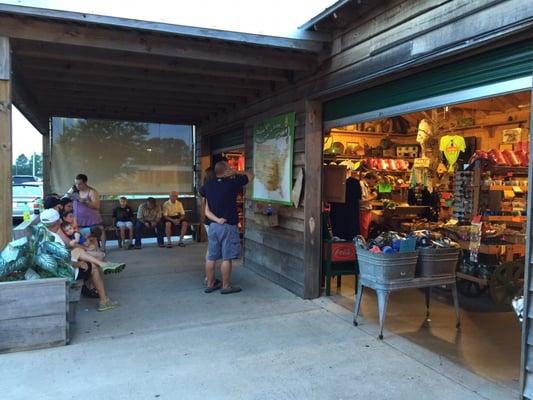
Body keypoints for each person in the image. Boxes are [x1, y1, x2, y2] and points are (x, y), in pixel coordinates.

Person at [40, 208, 120, 312]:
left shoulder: (43, 233)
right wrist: (78, 264)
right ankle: (104, 301)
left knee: (78, 250)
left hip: (55, 266)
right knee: (93, 267)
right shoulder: (53, 238)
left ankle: (102, 264)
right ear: (57, 222)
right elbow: (60, 262)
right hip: (62, 271)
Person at [200, 161, 253, 294]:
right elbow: (250, 175)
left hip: (213, 225)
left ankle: (210, 283)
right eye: (229, 168)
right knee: (226, 258)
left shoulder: (207, 186)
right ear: (226, 171)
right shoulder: (232, 184)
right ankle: (225, 286)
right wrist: (236, 172)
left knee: (211, 257)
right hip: (227, 225)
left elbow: (203, 197)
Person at [67, 174, 106, 251]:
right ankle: (88, 248)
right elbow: (66, 196)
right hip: (79, 218)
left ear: (85, 183)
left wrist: (85, 201)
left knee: (99, 230)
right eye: (76, 183)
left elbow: (97, 206)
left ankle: (103, 248)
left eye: (80, 184)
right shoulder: (74, 189)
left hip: (92, 218)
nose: (77, 185)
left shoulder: (92, 191)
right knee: (81, 233)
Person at [329, 169, 362, 241]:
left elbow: (329, 199)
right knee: (352, 231)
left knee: (339, 232)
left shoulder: (334, 182)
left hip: (337, 212)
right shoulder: (355, 182)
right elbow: (359, 197)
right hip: (352, 211)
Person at [360, 172, 378, 239]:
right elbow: (361, 200)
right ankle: (363, 245)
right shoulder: (361, 185)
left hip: (366, 210)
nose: (375, 183)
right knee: (363, 231)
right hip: (363, 211)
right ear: (371, 178)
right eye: (375, 181)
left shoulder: (365, 185)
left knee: (365, 230)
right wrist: (373, 196)